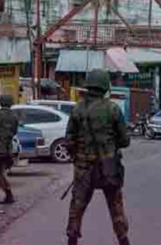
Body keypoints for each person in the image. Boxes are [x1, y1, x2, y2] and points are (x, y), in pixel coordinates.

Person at [65, 69, 131, 245]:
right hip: (108, 166)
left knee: (77, 206)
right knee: (116, 206)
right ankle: (123, 240)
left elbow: (69, 141)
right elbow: (125, 141)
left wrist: (77, 158)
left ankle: (72, 239)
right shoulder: (113, 109)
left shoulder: (77, 109)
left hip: (83, 168)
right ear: (105, 86)